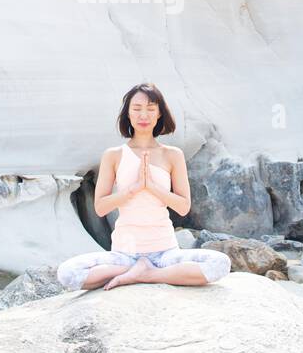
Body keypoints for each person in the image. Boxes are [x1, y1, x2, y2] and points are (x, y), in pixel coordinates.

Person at [56, 82, 232, 291]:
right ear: (128, 114)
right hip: (124, 255)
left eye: (150, 109)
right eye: (137, 109)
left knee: (220, 264)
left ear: (159, 114)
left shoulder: (172, 155)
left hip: (165, 252)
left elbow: (183, 206)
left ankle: (148, 274)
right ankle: (135, 270)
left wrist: (152, 188)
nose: (143, 115)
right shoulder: (114, 155)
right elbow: (101, 207)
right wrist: (134, 189)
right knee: (67, 274)